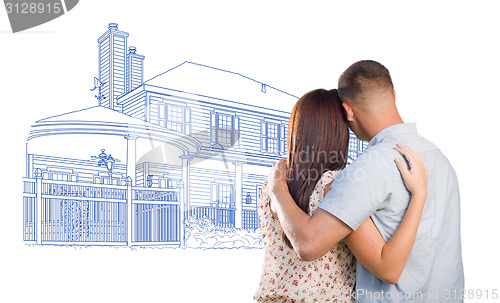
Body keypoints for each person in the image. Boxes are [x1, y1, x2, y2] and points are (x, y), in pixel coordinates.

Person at [267, 61, 464, 302]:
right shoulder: (439, 159)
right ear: (393, 94)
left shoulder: (369, 167)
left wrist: (277, 188)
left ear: (348, 111)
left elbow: (308, 245)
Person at [254, 88, 429, 302]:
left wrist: (278, 189)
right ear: (339, 133)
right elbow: (388, 268)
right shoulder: (335, 186)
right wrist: (419, 195)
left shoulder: (273, 183)